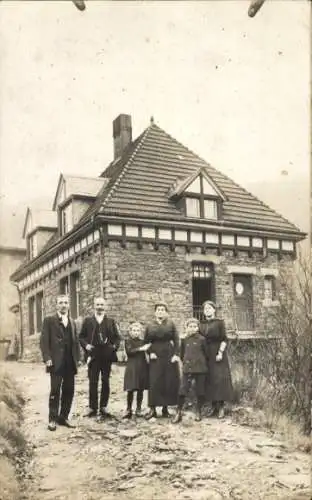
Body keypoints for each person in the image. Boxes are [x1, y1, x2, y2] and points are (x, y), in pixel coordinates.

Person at [40, 294, 80, 431]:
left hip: (70, 362)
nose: (63, 305)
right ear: (56, 305)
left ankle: (63, 417)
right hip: (56, 362)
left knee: (69, 390)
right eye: (61, 303)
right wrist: (47, 358)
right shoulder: (49, 320)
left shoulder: (73, 322)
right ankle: (52, 419)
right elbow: (44, 341)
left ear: (69, 305)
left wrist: (77, 359)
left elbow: (75, 342)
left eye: (66, 303)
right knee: (55, 390)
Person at [79, 296, 121, 419]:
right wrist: (86, 346)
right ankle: (92, 407)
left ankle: (103, 407)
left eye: (102, 305)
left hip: (106, 356)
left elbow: (118, 338)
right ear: (94, 306)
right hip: (93, 356)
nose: (99, 307)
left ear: (105, 306)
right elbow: (81, 337)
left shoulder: (111, 321)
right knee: (93, 381)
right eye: (97, 305)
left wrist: (113, 347)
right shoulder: (88, 321)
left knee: (105, 381)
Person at [144, 301, 180, 419]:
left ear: (166, 312)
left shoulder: (171, 324)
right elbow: (146, 342)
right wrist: (150, 353)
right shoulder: (150, 325)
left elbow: (176, 340)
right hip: (155, 356)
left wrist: (175, 354)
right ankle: (153, 409)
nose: (160, 311)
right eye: (158, 309)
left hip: (168, 355)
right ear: (155, 312)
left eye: (162, 310)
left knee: (167, 381)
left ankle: (165, 409)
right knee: (154, 381)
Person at [200, 300, 234, 419]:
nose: (207, 310)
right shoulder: (201, 324)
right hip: (206, 354)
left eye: (209, 308)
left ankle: (221, 407)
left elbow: (224, 339)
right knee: (209, 379)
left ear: (214, 310)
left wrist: (220, 352)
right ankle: (213, 406)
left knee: (219, 379)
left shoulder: (220, 323)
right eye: (205, 309)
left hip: (218, 353)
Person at [172, 317, 209, 423]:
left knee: (200, 391)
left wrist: (201, 363)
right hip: (187, 368)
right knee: (182, 390)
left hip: (200, 368)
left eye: (194, 326)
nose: (192, 328)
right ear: (186, 327)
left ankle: (198, 411)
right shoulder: (184, 340)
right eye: (190, 326)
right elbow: (182, 354)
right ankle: (178, 412)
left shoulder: (202, 339)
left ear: (198, 328)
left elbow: (207, 354)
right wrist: (186, 363)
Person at [123, 321, 150, 419]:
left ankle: (138, 408)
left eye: (138, 330)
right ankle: (128, 409)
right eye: (134, 330)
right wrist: (141, 349)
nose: (136, 332)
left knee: (140, 388)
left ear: (140, 332)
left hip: (142, 366)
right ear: (130, 332)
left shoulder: (143, 341)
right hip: (132, 366)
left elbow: (148, 350)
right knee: (131, 388)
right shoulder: (128, 341)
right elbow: (130, 352)